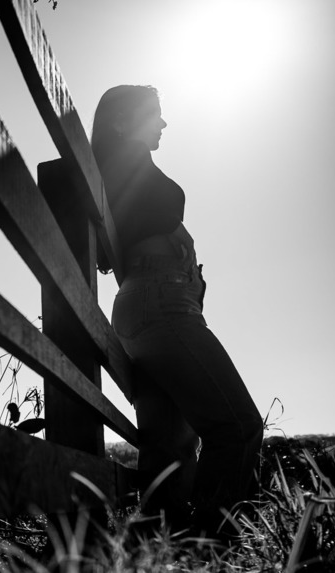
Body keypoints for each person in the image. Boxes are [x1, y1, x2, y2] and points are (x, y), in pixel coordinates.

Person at [92, 85, 264, 547]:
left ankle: (159, 548)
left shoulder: (125, 167)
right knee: (238, 426)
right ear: (121, 123)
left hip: (161, 306)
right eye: (154, 115)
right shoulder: (121, 165)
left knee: (172, 447)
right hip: (161, 306)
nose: (164, 124)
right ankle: (210, 545)